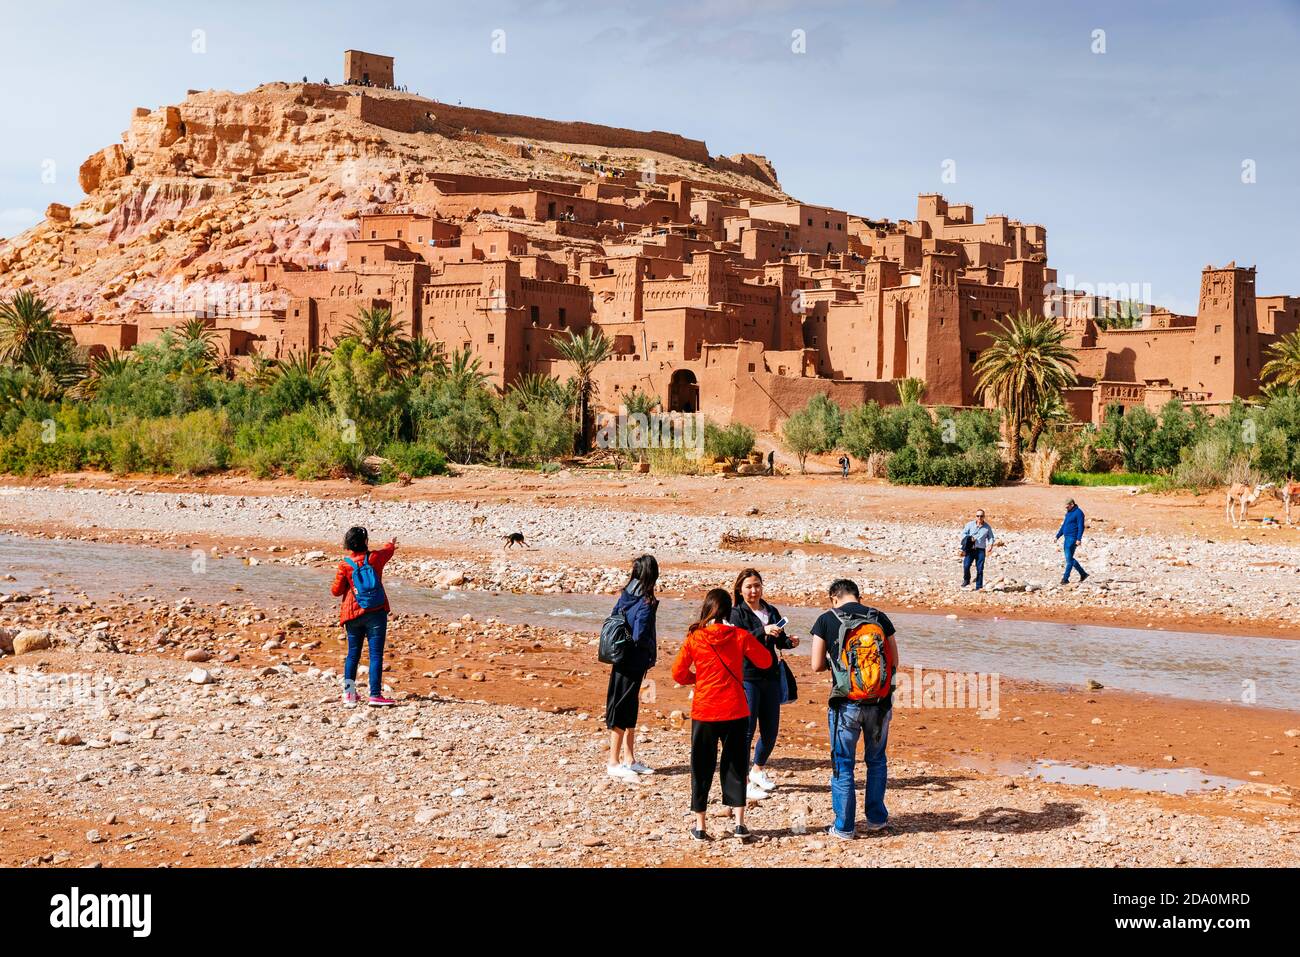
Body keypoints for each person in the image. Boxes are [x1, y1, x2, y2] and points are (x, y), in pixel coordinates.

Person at [672, 588, 772, 842]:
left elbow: (677, 673)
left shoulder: (696, 637)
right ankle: (739, 824)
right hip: (735, 708)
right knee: (735, 765)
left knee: (701, 766)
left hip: (705, 709)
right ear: (730, 610)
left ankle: (700, 826)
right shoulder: (739, 636)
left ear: (707, 608)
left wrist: (698, 679)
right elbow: (765, 662)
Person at [808, 579, 898, 839]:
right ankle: (876, 820)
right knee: (877, 761)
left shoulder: (826, 619)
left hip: (845, 704)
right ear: (859, 597)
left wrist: (836, 666)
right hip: (879, 705)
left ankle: (844, 826)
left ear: (833, 598)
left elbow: (815, 665)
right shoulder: (879, 617)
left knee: (843, 764)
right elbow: (894, 662)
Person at [728, 569, 798, 800]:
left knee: (771, 729)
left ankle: (757, 770)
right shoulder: (736, 613)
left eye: (757, 585)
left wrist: (789, 642)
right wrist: (761, 630)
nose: (753, 590)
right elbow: (737, 640)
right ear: (740, 589)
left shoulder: (771, 610)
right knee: (746, 730)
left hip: (770, 676)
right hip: (748, 676)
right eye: (748, 586)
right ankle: (743, 781)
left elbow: (778, 640)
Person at [605, 555, 659, 782]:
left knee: (628, 705)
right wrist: (650, 652)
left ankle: (629, 758)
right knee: (623, 707)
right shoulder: (646, 602)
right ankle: (613, 762)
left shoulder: (626, 593)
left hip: (620, 658)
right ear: (652, 575)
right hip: (634, 661)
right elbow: (640, 634)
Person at [330, 527, 397, 708]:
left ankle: (349, 694)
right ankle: (375, 695)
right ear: (365, 541)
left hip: (352, 614)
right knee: (375, 655)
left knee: (353, 655)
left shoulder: (345, 565)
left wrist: (349, 584)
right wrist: (391, 542)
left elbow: (335, 591)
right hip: (375, 612)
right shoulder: (375, 558)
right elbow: (388, 551)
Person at [958, 509, 997, 590]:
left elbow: (991, 537)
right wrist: (969, 538)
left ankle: (979, 586)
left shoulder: (987, 527)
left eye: (981, 516)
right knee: (966, 565)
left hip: (980, 550)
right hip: (970, 549)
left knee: (980, 569)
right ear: (975, 516)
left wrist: (990, 544)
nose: (979, 517)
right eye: (978, 516)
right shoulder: (970, 525)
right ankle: (966, 580)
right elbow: (963, 534)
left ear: (984, 517)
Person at [1056, 498, 1089, 584]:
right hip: (1067, 538)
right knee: (1070, 559)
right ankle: (1083, 574)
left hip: (1072, 538)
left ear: (1072, 504)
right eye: (1066, 507)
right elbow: (1064, 525)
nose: (1066, 509)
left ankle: (1065, 579)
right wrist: (1058, 536)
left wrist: (1079, 539)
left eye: (1067, 507)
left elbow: (1081, 527)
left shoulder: (1079, 513)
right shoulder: (1069, 513)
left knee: (1069, 560)